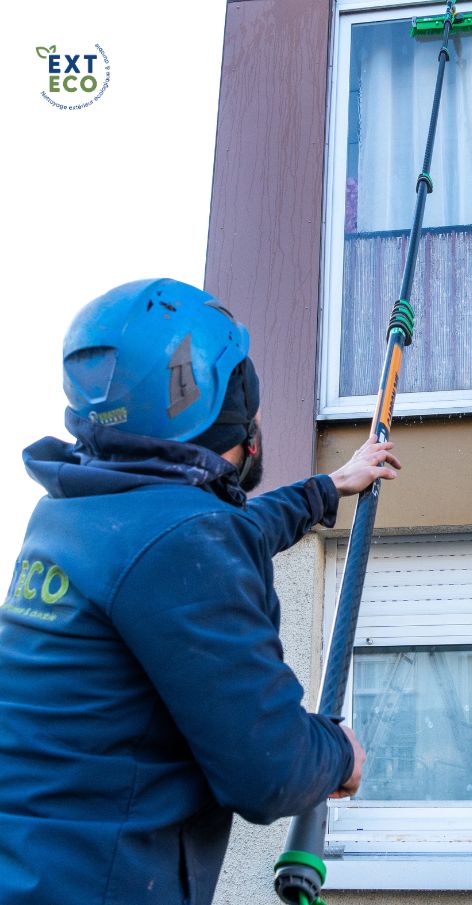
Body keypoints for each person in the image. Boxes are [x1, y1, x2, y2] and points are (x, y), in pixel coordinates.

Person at [0, 278, 401, 905]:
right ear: (226, 406)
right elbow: (271, 768)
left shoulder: (77, 514)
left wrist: (327, 488)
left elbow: (218, 533)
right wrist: (338, 754)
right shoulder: (184, 543)